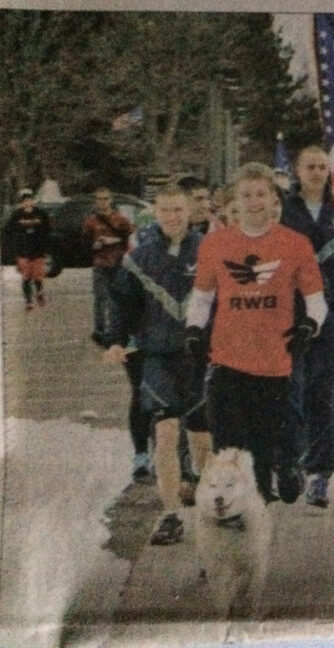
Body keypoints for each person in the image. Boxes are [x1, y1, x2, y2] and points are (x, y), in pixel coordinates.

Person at [185, 161, 326, 503]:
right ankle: (234, 516)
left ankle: (265, 497)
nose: (253, 202)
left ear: (272, 197)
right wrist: (193, 329)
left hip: (274, 363)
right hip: (227, 360)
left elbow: (316, 300)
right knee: (229, 450)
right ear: (236, 199)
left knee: (263, 450)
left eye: (261, 194)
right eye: (246, 195)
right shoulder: (216, 245)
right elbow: (201, 298)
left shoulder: (294, 244)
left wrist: (309, 325)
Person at [103, 184, 211, 544]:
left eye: (178, 209)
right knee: (165, 435)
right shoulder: (140, 258)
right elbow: (120, 302)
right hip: (158, 358)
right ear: (155, 212)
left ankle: (212, 511)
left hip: (201, 357)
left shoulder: (211, 250)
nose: (172, 217)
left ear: (190, 211)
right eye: (165, 210)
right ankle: (171, 515)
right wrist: (116, 340)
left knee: (201, 440)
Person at [280, 144, 334, 508]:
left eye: (322, 167)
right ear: (297, 171)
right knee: (291, 390)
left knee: (323, 391)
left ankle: (321, 473)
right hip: (292, 312)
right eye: (309, 166)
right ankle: (294, 459)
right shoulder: (284, 211)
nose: (316, 173)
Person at [82, 187, 135, 346]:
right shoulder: (91, 221)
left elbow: (131, 238)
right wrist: (94, 245)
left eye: (105, 199)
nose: (103, 202)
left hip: (117, 262)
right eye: (100, 199)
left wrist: (116, 241)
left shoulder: (120, 219)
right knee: (100, 298)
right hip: (100, 263)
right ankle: (99, 331)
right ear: (96, 201)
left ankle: (115, 330)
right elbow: (83, 243)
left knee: (116, 298)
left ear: (110, 200)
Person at [4, 188, 51, 310]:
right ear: (22, 202)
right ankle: (28, 301)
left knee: (37, 276)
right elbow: (8, 230)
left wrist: (45, 243)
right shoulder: (17, 215)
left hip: (38, 250)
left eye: (30, 200)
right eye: (25, 201)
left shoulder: (40, 214)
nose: (28, 203)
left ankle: (40, 292)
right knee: (26, 277)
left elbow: (48, 229)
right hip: (23, 250)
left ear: (33, 201)